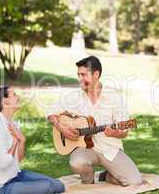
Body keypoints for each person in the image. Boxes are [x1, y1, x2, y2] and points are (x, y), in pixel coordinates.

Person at [46, 56, 143, 186]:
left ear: (96, 74)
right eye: (78, 75)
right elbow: (50, 112)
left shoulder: (115, 98)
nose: (80, 78)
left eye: (83, 75)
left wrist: (114, 133)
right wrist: (61, 127)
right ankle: (88, 181)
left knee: (135, 182)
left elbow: (124, 131)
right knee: (77, 162)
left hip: (109, 149)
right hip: (85, 149)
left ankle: (107, 176)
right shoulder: (73, 97)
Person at [0, 86, 65, 194]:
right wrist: (15, 142)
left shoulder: (13, 124)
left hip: (16, 176)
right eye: (15, 95)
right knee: (47, 186)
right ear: (5, 101)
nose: (18, 97)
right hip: (2, 187)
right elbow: (3, 163)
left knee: (59, 185)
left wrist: (22, 140)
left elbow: (19, 158)